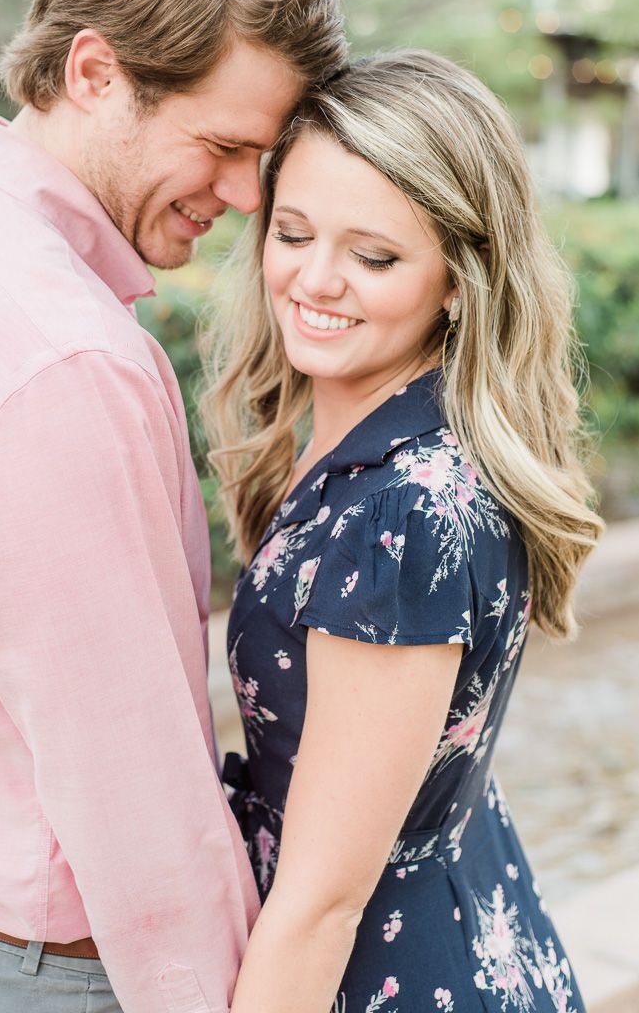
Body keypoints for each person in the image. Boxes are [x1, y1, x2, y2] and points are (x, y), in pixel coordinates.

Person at [0, 0, 346, 1013]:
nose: (248, 195)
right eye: (221, 146)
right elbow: (140, 811)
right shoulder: (62, 356)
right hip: (20, 977)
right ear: (93, 70)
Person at [202, 50, 603, 1013]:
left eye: (374, 256)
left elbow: (322, 902)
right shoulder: (381, 445)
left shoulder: (401, 516)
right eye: (292, 233)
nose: (316, 279)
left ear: (458, 280)